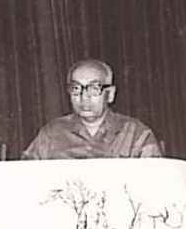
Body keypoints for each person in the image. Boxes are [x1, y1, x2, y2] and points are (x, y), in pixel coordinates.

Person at [22, 59, 162, 159]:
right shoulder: (51, 134)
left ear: (110, 94)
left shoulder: (136, 133)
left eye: (94, 89)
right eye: (76, 89)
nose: (84, 97)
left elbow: (154, 181)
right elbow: (27, 175)